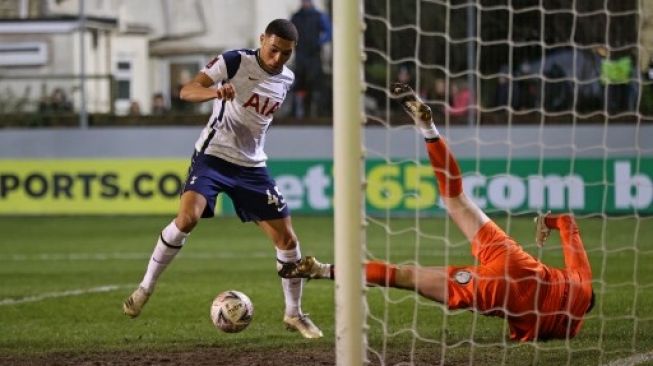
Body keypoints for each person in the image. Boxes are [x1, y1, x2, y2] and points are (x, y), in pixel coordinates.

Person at [300, 83, 595, 342]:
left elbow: (567, 222)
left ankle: (428, 129)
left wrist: (546, 221)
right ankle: (322, 270)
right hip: (498, 291)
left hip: (517, 262)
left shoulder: (582, 280)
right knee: (408, 277)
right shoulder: (570, 330)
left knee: (455, 197)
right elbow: (536, 330)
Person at [122, 19, 331, 339]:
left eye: (285, 54)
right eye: (273, 50)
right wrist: (215, 91)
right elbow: (186, 89)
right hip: (213, 157)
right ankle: (145, 288)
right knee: (187, 218)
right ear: (262, 40)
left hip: (252, 168)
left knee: (287, 241)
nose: (277, 59)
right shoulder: (235, 60)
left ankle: (294, 314)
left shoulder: (287, 77)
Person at [290, 0, 332, 118]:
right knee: (299, 83)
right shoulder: (296, 17)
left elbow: (329, 33)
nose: (305, 3)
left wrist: (318, 43)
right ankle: (297, 112)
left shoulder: (319, 16)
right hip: (300, 55)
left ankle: (320, 111)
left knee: (316, 82)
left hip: (314, 56)